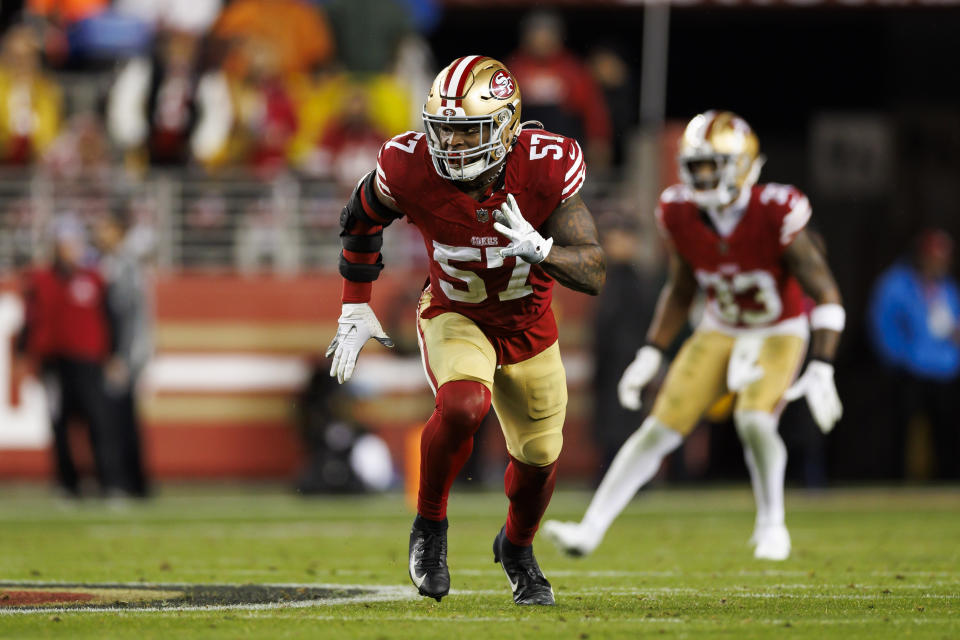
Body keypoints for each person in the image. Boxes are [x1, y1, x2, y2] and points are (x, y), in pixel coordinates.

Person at [325, 56, 605, 605]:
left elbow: (593, 269)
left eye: (467, 131)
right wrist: (354, 306)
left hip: (529, 327)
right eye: (443, 130)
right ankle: (430, 527)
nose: (451, 145)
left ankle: (518, 549)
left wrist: (544, 250)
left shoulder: (547, 167)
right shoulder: (409, 166)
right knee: (462, 406)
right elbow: (359, 218)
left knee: (538, 461)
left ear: (504, 126)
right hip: (457, 313)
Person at [543, 110, 844, 562]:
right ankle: (590, 529)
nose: (701, 178)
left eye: (712, 166)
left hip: (777, 330)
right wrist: (652, 350)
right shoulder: (679, 212)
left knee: (754, 420)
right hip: (719, 327)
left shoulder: (776, 209)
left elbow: (825, 291)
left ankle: (772, 525)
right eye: (696, 166)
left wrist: (822, 364)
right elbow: (682, 289)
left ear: (741, 166)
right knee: (656, 430)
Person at [19, 219, 123, 497]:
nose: (69, 249)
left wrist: (113, 354)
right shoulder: (41, 280)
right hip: (54, 361)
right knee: (60, 423)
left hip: (88, 360)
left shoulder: (93, 278)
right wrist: (28, 355)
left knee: (98, 421)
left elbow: (110, 318)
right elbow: (31, 321)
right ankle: (68, 484)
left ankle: (108, 482)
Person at [867, 229, 960, 480]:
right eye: (933, 256)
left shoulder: (947, 289)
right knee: (901, 431)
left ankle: (947, 481)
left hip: (945, 370)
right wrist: (899, 359)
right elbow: (883, 326)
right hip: (908, 370)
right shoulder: (896, 285)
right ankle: (897, 481)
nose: (938, 262)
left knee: (947, 432)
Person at [93, 211, 152, 498]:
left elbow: (127, 313)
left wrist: (122, 356)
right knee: (121, 417)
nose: (100, 234)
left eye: (106, 228)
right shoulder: (114, 263)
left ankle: (126, 482)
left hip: (124, 355)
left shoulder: (123, 264)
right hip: (124, 352)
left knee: (119, 419)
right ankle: (131, 482)